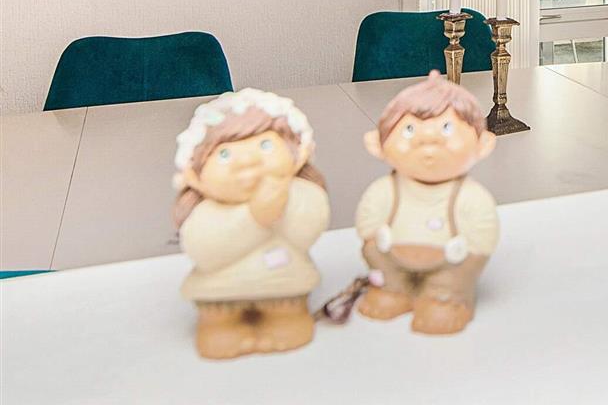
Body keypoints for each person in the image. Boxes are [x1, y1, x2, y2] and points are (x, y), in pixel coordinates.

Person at [172, 89, 330, 359]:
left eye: (265, 146)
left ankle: (286, 321)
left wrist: (283, 206)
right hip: (221, 291)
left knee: (287, 313)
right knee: (219, 320)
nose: (247, 162)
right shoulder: (205, 212)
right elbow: (203, 252)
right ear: (195, 175)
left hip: (285, 282)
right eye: (224, 154)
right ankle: (221, 328)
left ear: (299, 155)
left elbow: (308, 233)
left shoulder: (301, 194)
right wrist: (253, 217)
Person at [355, 71, 499, 334]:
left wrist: (472, 253)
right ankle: (394, 289)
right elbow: (368, 221)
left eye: (446, 128)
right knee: (379, 260)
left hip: (451, 264)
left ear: (483, 144)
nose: (429, 139)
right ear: (377, 144)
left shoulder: (469, 196)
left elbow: (483, 233)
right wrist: (372, 237)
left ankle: (445, 297)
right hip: (391, 259)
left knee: (449, 284)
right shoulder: (386, 190)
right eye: (410, 129)